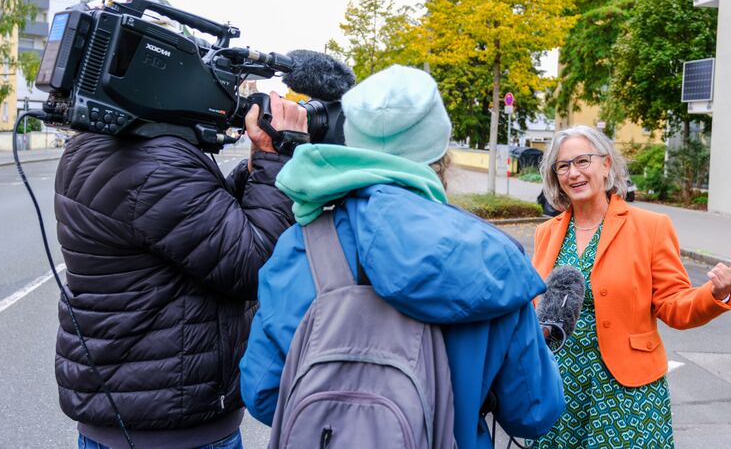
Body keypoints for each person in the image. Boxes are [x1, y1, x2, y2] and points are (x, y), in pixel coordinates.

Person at [239, 65, 565, 448]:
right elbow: (535, 413)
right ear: (440, 153)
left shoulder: (300, 245)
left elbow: (263, 394)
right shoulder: (495, 259)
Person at [53, 94, 306, 449]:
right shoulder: (157, 162)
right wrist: (277, 159)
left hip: (127, 412)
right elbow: (255, 264)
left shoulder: (96, 148)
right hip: (172, 426)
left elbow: (204, 223)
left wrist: (257, 168)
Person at [529, 125, 731, 448]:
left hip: (628, 394)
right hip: (560, 387)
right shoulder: (547, 233)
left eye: (583, 161)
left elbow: (675, 305)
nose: (574, 173)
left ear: (606, 164)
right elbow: (535, 310)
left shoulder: (649, 228)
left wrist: (716, 293)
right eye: (563, 165)